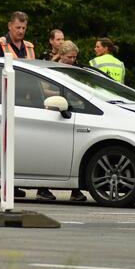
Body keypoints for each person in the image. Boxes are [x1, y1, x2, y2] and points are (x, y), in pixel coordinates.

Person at [0, 11, 35, 199]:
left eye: (24, 28)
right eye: (18, 28)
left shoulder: (29, 46)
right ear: (9, 26)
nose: (21, 31)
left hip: (23, 100)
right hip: (2, 98)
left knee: (15, 144)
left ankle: (10, 183)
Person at [52, 41, 87, 202]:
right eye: (69, 57)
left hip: (72, 110)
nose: (73, 60)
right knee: (53, 151)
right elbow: (45, 88)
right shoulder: (51, 69)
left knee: (75, 152)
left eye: (74, 57)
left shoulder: (75, 70)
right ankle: (43, 188)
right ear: (61, 55)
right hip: (55, 111)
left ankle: (75, 189)